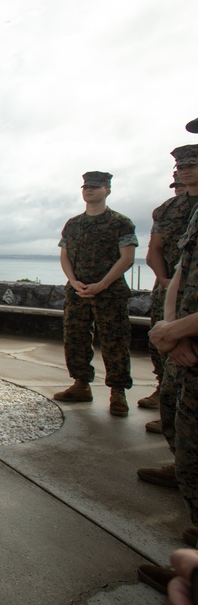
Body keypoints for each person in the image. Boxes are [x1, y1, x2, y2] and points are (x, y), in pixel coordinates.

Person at [53, 171, 137, 416]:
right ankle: (81, 384)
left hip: (110, 294)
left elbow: (127, 258)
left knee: (115, 342)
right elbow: (65, 256)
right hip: (78, 292)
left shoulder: (120, 222)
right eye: (86, 186)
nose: (88, 190)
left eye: (95, 186)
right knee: (75, 339)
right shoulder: (73, 224)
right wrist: (74, 282)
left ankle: (118, 392)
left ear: (107, 190)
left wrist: (102, 284)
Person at [138, 157, 198, 489]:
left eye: (193, 162)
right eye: (180, 165)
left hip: (183, 328)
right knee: (174, 403)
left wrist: (175, 330)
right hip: (178, 323)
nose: (183, 169)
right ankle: (183, 470)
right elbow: (175, 268)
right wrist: (173, 330)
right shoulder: (172, 211)